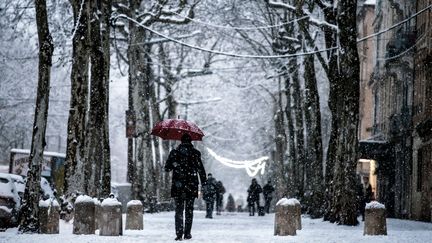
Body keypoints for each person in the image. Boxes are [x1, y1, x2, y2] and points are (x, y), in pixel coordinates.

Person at [165, 133, 207, 241]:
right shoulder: (195, 153)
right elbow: (200, 169)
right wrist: (204, 183)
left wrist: (174, 163)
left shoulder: (175, 153)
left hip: (178, 185)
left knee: (179, 210)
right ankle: (187, 233)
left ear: (181, 141)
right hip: (191, 185)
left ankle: (179, 234)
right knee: (189, 210)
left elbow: (167, 168)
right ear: (191, 141)